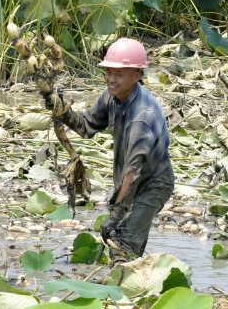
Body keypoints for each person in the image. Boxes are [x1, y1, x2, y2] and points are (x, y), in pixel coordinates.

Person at [41, 38, 174, 261]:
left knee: (122, 242)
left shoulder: (143, 118)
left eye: (119, 74)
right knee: (120, 241)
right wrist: (62, 111)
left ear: (136, 76)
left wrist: (116, 214)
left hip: (153, 183)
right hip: (127, 181)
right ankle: (126, 280)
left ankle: (126, 285)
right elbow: (85, 126)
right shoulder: (111, 96)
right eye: (109, 72)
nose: (111, 80)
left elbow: (133, 172)